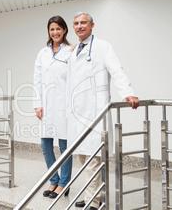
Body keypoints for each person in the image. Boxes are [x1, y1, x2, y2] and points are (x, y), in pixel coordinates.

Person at [66, 12, 139, 210]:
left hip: (94, 111)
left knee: (93, 158)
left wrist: (128, 93)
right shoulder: (74, 51)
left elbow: (116, 69)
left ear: (91, 25)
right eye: (76, 24)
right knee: (83, 158)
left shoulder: (102, 46)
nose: (79, 26)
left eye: (83, 23)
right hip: (76, 111)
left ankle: (95, 201)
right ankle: (92, 195)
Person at [33, 15, 73, 199]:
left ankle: (64, 183)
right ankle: (53, 180)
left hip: (65, 105)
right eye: (52, 29)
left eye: (58, 28)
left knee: (65, 145)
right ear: (48, 32)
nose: (55, 32)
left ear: (64, 30)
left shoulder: (71, 51)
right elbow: (37, 80)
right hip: (46, 106)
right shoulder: (43, 53)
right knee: (45, 145)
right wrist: (37, 105)